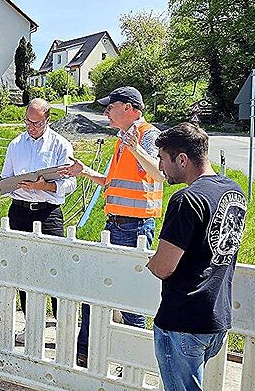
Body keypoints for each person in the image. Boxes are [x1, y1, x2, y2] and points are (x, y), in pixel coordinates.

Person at [58, 86, 165, 366]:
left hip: (136, 228)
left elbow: (159, 172)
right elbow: (112, 182)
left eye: (111, 106)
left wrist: (136, 147)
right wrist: (85, 172)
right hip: (116, 225)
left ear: (129, 108)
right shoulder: (124, 138)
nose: (106, 111)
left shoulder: (147, 135)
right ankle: (86, 353)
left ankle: (133, 362)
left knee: (130, 298)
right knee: (96, 289)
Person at [149, 122, 247, 390]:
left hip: (182, 319)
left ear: (182, 159)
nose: (160, 167)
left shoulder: (186, 200)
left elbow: (164, 267)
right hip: (216, 317)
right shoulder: (234, 191)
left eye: (162, 159)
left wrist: (151, 262)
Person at [0, 98, 77, 336]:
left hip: (48, 213)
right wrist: (18, 185)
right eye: (28, 122)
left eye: (37, 123)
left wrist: (45, 187)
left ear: (47, 120)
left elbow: (71, 182)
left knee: (55, 271)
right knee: (24, 270)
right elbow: (5, 179)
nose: (31, 127)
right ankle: (31, 326)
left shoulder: (60, 145)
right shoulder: (15, 145)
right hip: (20, 210)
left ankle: (63, 330)